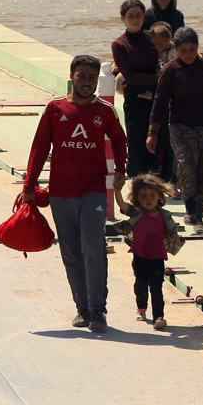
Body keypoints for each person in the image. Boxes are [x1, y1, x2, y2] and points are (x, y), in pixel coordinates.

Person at [22, 55, 127, 333]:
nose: (86, 82)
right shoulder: (55, 109)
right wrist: (29, 186)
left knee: (93, 247)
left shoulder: (104, 111)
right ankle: (82, 309)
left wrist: (120, 169)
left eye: (91, 77)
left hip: (92, 191)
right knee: (71, 252)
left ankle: (97, 310)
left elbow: (119, 140)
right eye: (81, 76)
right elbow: (39, 147)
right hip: (60, 193)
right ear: (72, 77)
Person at [148, 27, 203, 233]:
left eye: (192, 49)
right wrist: (152, 132)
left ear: (198, 48)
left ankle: (198, 215)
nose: (188, 54)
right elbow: (159, 101)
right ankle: (189, 209)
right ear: (176, 48)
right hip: (180, 125)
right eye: (183, 50)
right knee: (187, 163)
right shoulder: (170, 70)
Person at [113, 174, 184, 330]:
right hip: (140, 256)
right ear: (137, 198)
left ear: (159, 196)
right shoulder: (137, 213)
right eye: (143, 196)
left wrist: (176, 238)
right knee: (141, 284)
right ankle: (142, 308)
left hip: (157, 257)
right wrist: (117, 191)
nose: (148, 200)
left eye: (152, 196)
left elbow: (173, 231)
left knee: (157, 287)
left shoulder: (165, 216)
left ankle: (159, 316)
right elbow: (123, 206)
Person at [111, 0, 169, 180]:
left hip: (157, 98)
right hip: (135, 100)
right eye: (130, 16)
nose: (135, 19)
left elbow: (166, 57)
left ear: (144, 16)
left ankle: (155, 198)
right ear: (123, 18)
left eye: (139, 15)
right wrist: (159, 78)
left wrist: (159, 84)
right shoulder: (119, 44)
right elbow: (130, 75)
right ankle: (137, 195)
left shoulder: (152, 37)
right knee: (136, 148)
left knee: (157, 147)